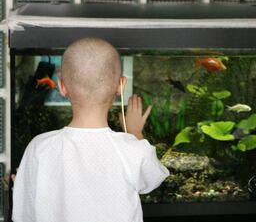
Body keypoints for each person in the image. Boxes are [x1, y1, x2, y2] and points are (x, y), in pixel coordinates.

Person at [12, 38, 169, 222]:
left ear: (62, 87)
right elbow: (154, 178)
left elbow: (24, 214)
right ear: (121, 85)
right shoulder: (132, 149)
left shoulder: (39, 148)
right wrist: (134, 133)